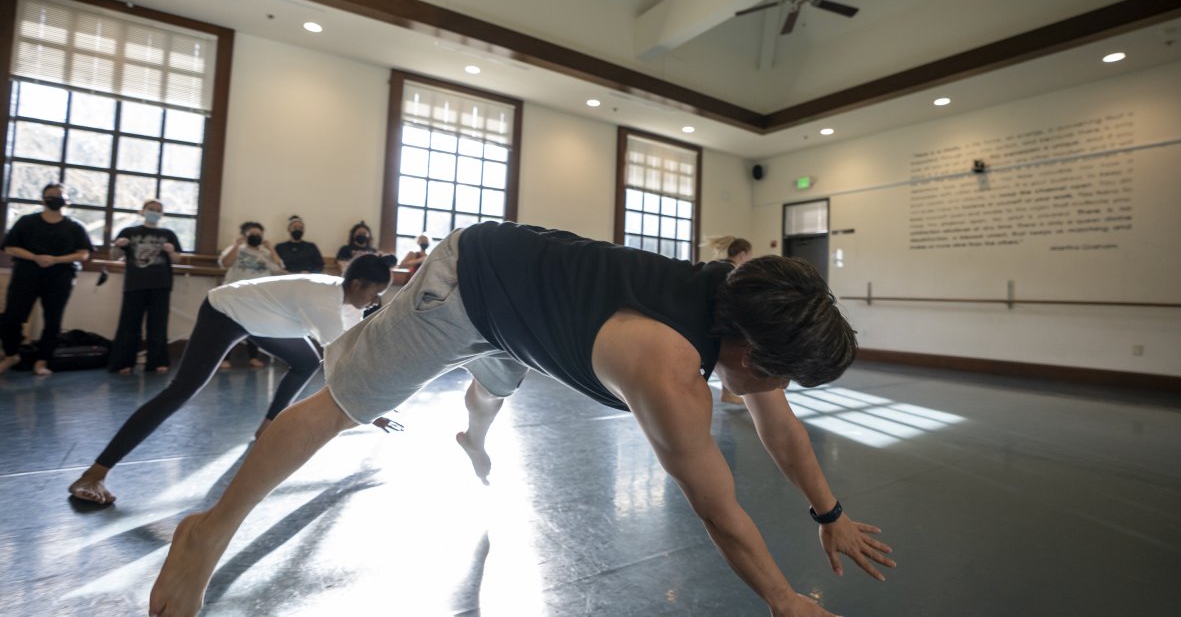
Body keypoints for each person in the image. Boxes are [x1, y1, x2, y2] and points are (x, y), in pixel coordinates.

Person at [147, 222, 893, 617]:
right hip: (474, 285)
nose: (778, 387)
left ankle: (472, 431)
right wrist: (783, 598)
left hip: (530, 314)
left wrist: (829, 510)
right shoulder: (668, 373)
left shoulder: (740, 302)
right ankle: (206, 531)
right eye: (782, 371)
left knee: (492, 388)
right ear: (751, 347)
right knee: (340, 407)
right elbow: (721, 510)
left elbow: (779, 421)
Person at [68, 253, 396, 505]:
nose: (375, 300)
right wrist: (370, 409)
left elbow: (355, 351)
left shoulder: (348, 304)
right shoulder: (323, 300)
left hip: (262, 318)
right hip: (225, 311)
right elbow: (339, 365)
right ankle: (93, 474)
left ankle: (268, 425)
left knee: (304, 360)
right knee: (181, 390)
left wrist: (381, 389)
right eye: (375, 292)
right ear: (357, 285)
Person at [0, 183, 93, 376]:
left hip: (60, 277)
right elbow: (9, 247)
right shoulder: (26, 221)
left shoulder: (75, 226)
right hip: (26, 274)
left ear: (66, 201)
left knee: (53, 319)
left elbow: (83, 254)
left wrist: (55, 259)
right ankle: (11, 354)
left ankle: (42, 361)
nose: (55, 198)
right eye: (51, 195)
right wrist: (35, 257)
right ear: (42, 199)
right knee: (12, 316)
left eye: (59, 195)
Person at [108, 199, 183, 375]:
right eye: (151, 209)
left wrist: (171, 251)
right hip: (134, 284)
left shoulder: (168, 234)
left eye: (158, 210)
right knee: (129, 324)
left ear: (162, 214)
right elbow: (114, 256)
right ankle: (123, 362)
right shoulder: (129, 232)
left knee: (158, 324)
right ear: (142, 211)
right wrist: (119, 246)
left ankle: (157, 362)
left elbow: (177, 259)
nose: (154, 212)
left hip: (161, 285)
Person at [218, 221, 284, 368]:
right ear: (244, 236)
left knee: (253, 327)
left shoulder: (265, 253)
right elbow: (225, 263)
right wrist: (236, 245)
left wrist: (271, 248)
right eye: (252, 234)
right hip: (235, 295)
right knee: (230, 327)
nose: (256, 237)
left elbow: (279, 268)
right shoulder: (237, 249)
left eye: (258, 235)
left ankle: (253, 357)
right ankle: (224, 358)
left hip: (257, 296)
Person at [705, 236, 755, 404]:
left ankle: (728, 393)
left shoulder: (717, 266)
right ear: (742, 254)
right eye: (749, 256)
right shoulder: (730, 271)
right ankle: (729, 392)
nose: (749, 260)